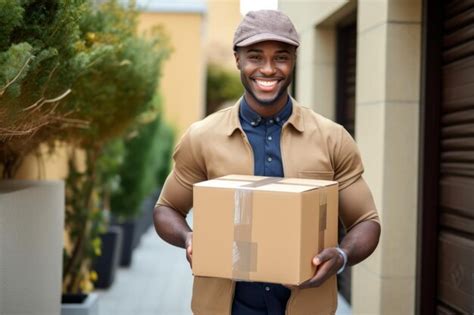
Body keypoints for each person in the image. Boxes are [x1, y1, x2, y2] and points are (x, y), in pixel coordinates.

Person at [153, 9, 381, 315]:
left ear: (294, 60)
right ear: (238, 59)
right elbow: (166, 208)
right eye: (256, 56)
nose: (269, 69)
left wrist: (341, 256)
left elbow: (367, 221)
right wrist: (189, 238)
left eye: (281, 57)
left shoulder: (331, 138)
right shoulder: (202, 137)